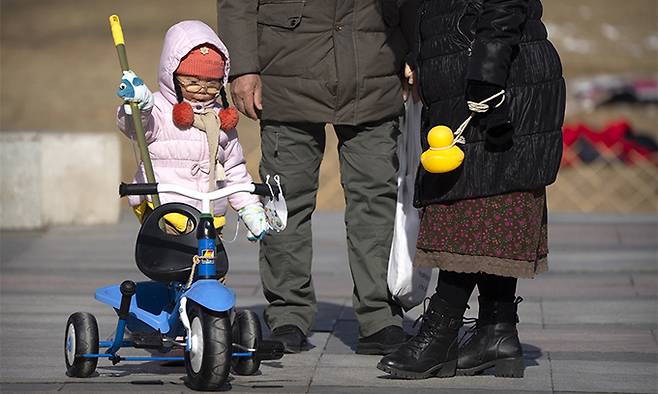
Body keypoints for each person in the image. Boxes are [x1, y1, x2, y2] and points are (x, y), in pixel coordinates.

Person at [217, 0, 418, 354]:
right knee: (284, 201)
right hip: (285, 69)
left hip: (374, 67)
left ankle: (379, 316)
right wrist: (243, 66)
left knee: (377, 198)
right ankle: (287, 314)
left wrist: (416, 49)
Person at [378, 0, 565, 378]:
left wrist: (486, 78)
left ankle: (440, 331)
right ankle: (496, 331)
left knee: (470, 207)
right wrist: (418, 54)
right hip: (472, 78)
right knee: (490, 199)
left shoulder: (487, 79)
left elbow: (503, 8)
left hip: (495, 83)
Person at [116, 20, 268, 242]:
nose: (203, 90)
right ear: (173, 77)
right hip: (167, 210)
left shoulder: (219, 119)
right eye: (193, 82)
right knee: (177, 267)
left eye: (213, 83)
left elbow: (234, 169)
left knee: (213, 273)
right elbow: (136, 129)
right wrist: (139, 106)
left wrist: (250, 208)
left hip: (209, 216)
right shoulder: (159, 108)